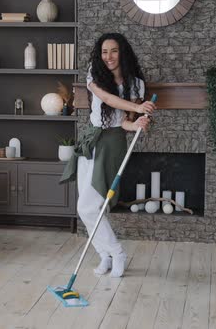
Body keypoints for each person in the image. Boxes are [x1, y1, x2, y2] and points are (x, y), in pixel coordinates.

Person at [60, 33, 155, 277]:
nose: (108, 57)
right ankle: (106, 255)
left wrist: (138, 123)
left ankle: (117, 252)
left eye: (113, 51)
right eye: (104, 51)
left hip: (112, 143)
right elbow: (106, 98)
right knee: (86, 208)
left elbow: (124, 123)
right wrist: (137, 107)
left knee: (90, 206)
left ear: (122, 52)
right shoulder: (95, 73)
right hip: (91, 139)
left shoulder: (135, 84)